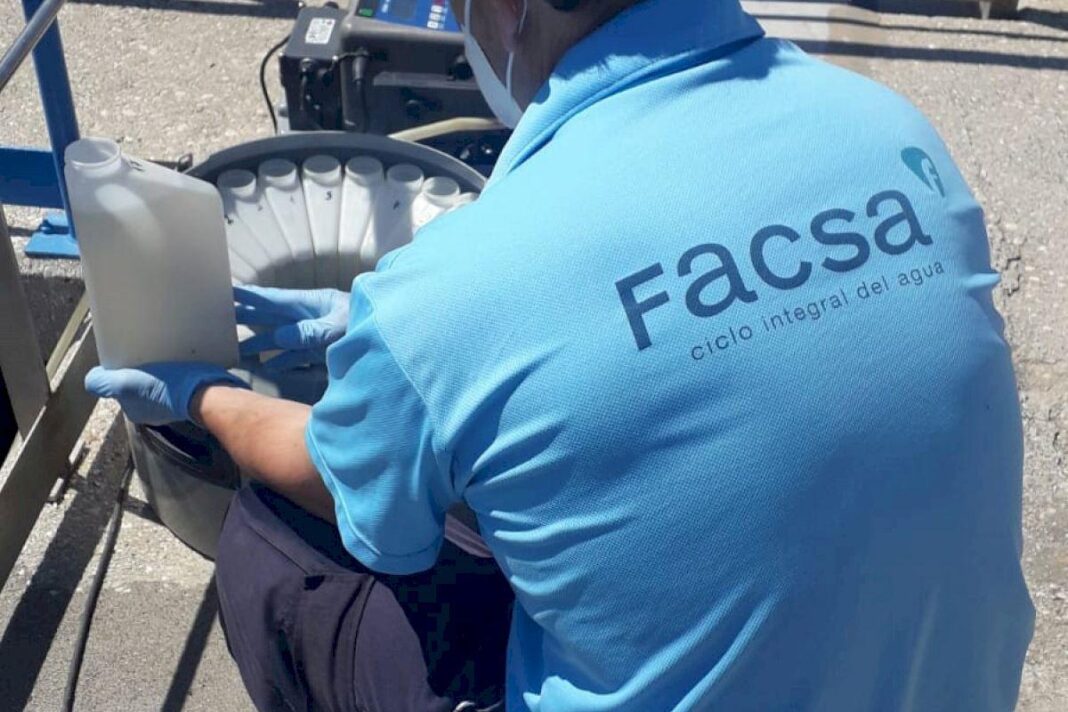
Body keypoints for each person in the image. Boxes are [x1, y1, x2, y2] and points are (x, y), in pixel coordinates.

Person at [86, 0, 1035, 709]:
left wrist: (202, 394)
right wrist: (379, 331)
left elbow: (327, 478)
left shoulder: (458, 287)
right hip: (949, 688)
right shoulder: (892, 130)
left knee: (268, 538)